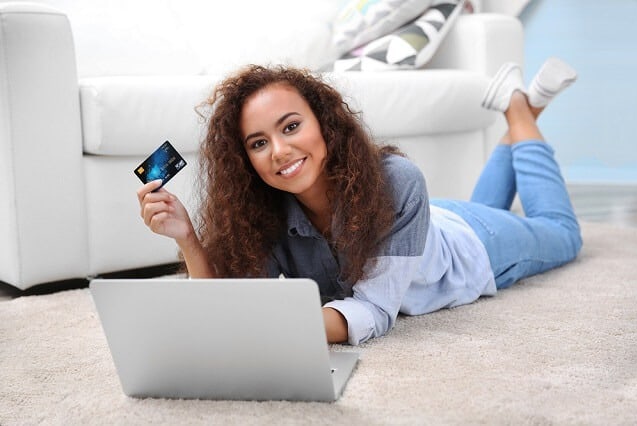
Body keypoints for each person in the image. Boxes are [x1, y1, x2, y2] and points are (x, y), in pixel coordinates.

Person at [137, 58, 582, 346]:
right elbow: (227, 311)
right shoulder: (265, 213)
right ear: (245, 159)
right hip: (425, 227)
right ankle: (524, 119)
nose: (278, 151)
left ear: (324, 122)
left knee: (563, 234)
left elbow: (374, 308)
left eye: (290, 127)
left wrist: (281, 329)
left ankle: (521, 110)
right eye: (258, 142)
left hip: (472, 247)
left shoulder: (398, 182)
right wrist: (188, 238)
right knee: (507, 211)